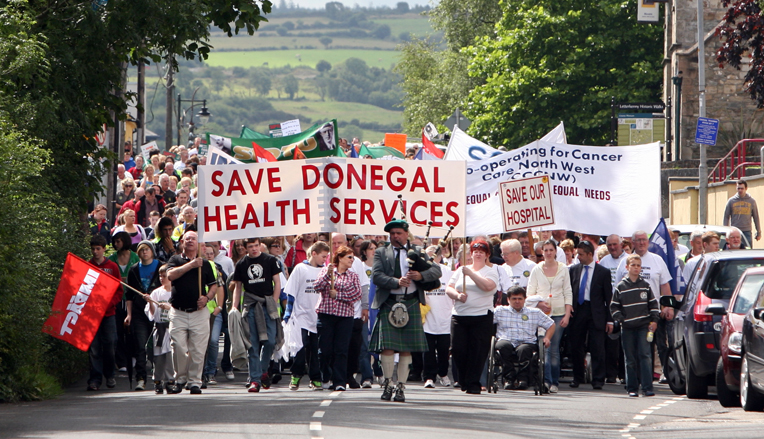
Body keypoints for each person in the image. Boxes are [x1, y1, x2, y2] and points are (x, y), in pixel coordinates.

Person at [371, 219, 442, 402]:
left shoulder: (417, 251)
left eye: (399, 233)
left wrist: (420, 275)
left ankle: (401, 387)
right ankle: (388, 383)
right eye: (392, 233)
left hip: (410, 302)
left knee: (406, 348)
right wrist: (396, 282)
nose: (395, 236)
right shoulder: (381, 252)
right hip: (389, 302)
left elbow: (436, 272)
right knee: (387, 347)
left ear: (405, 234)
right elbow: (377, 276)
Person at [614, 230, 674, 377]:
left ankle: (663, 374)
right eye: (638, 240)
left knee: (660, 345)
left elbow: (665, 286)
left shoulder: (657, 260)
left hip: (653, 311)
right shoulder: (624, 262)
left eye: (644, 240)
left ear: (648, 242)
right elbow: (616, 287)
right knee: (634, 349)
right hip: (631, 314)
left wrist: (669, 306)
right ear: (632, 242)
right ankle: (636, 379)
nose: (641, 243)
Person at [165, 231, 220, 394]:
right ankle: (180, 378)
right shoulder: (175, 260)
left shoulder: (207, 264)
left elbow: (214, 285)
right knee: (179, 346)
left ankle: (195, 381)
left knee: (198, 348)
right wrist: (191, 264)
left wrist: (208, 297)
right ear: (182, 242)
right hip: (178, 311)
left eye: (193, 239)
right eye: (187, 238)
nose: (190, 241)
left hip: (199, 312)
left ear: (199, 243)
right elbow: (170, 275)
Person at [446, 239, 499, 395]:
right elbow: (449, 288)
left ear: (487, 255)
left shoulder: (490, 271)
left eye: (481, 252)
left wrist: (471, 274)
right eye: (475, 251)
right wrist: (457, 295)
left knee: (477, 351)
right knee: (458, 349)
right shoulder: (461, 270)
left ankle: (473, 382)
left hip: (481, 316)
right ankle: (463, 379)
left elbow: (488, 287)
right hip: (460, 315)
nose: (477, 254)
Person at [231, 238, 282, 393]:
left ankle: (263, 370)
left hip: (268, 305)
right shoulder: (241, 264)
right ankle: (255, 379)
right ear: (245, 248)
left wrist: (273, 301)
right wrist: (235, 307)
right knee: (252, 344)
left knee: (270, 341)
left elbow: (277, 283)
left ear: (259, 245)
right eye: (250, 247)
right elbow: (238, 287)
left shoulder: (270, 260)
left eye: (256, 245)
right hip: (250, 305)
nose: (254, 249)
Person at [526, 239, 572, 393]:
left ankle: (554, 381)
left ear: (555, 251)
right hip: (541, 315)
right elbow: (530, 293)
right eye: (545, 250)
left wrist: (567, 314)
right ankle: (545, 380)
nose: (548, 253)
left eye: (551, 250)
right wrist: (538, 304)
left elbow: (568, 292)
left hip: (558, 314)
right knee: (543, 347)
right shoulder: (536, 269)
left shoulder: (563, 268)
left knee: (553, 348)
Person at [610, 254, 660, 397]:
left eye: (638, 265)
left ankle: (647, 387)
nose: (636, 268)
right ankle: (632, 387)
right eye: (633, 265)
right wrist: (621, 319)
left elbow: (653, 305)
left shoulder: (645, 286)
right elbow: (614, 307)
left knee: (645, 356)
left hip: (643, 326)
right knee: (630, 358)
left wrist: (654, 321)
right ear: (627, 267)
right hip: (627, 328)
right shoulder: (621, 287)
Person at [313, 245, 362, 391]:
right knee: (325, 349)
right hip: (326, 315)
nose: (352, 260)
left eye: (353, 257)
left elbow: (357, 294)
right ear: (340, 258)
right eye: (349, 257)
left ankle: (339, 381)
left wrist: (339, 295)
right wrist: (327, 275)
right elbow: (317, 286)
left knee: (341, 350)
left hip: (344, 317)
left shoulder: (353, 276)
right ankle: (325, 375)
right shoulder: (327, 271)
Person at [284, 242, 331, 390]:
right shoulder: (300, 269)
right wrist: (288, 313)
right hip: (301, 315)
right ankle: (296, 376)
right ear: (314, 254)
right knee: (301, 347)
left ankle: (315, 377)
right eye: (323, 256)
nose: (325, 259)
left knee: (316, 349)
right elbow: (291, 292)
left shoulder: (325, 271)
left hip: (317, 316)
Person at [567, 241, 612, 389]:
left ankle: (598, 379)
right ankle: (577, 377)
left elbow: (608, 298)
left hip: (596, 312)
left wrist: (610, 320)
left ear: (590, 254)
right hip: (578, 310)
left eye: (580, 254)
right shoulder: (573, 270)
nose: (578, 257)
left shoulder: (603, 272)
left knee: (597, 346)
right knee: (576, 345)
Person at [329, 232, 370, 389]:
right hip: (332, 313)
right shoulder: (328, 262)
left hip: (354, 312)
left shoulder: (356, 262)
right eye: (334, 243)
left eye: (340, 242)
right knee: (334, 347)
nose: (337, 246)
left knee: (354, 346)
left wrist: (365, 307)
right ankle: (334, 375)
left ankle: (349, 375)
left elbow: (364, 285)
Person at [493, 286, 555, 390]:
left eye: (520, 299)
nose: (517, 301)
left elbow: (551, 324)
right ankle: (509, 378)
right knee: (503, 347)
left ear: (524, 299)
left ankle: (523, 379)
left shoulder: (534, 312)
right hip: (506, 339)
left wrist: (547, 338)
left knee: (524, 350)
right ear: (508, 300)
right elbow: (485, 323)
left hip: (527, 341)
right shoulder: (499, 311)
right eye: (514, 299)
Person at [86, 235, 124, 391]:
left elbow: (119, 290)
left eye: (98, 249)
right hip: (92, 315)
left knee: (110, 344)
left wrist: (110, 303)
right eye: (93, 249)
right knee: (94, 348)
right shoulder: (88, 265)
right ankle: (95, 379)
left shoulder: (112, 267)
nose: (95, 252)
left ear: (103, 249)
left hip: (108, 314)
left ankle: (110, 375)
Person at [125, 240, 161, 391]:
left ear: (152, 251)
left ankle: (159, 376)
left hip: (158, 312)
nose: (144, 252)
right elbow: (129, 295)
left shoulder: (161, 267)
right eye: (141, 250)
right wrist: (129, 314)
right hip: (140, 312)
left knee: (158, 346)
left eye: (147, 249)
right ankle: (140, 378)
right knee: (140, 345)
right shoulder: (133, 270)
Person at [422, 245, 454, 389]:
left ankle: (443, 374)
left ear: (440, 257)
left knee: (443, 350)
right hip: (428, 317)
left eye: (433, 256)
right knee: (427, 351)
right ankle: (429, 377)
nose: (430, 260)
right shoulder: (422, 272)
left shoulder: (448, 272)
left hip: (444, 317)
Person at [598, 233, 628, 383]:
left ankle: (624, 374)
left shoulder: (629, 260)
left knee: (624, 343)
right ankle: (610, 374)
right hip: (609, 306)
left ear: (621, 244)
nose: (612, 247)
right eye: (609, 245)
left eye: (615, 244)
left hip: (626, 307)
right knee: (610, 343)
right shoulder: (604, 261)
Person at [145, 265, 175, 394]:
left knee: (170, 357)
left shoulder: (176, 291)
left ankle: (170, 381)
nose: (162, 278)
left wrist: (169, 308)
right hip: (160, 329)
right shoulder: (156, 293)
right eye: (160, 276)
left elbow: (179, 311)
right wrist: (151, 302)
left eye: (165, 276)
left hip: (172, 328)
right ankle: (158, 381)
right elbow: (151, 313)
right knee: (159, 357)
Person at [723, 179, 761, 245]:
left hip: (747, 231)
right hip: (734, 230)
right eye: (738, 188)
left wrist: (759, 232)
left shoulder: (751, 201)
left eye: (742, 188)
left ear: (746, 188)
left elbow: (756, 217)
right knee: (735, 250)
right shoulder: (731, 201)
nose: (740, 190)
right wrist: (725, 231)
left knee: (747, 251)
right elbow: (726, 216)